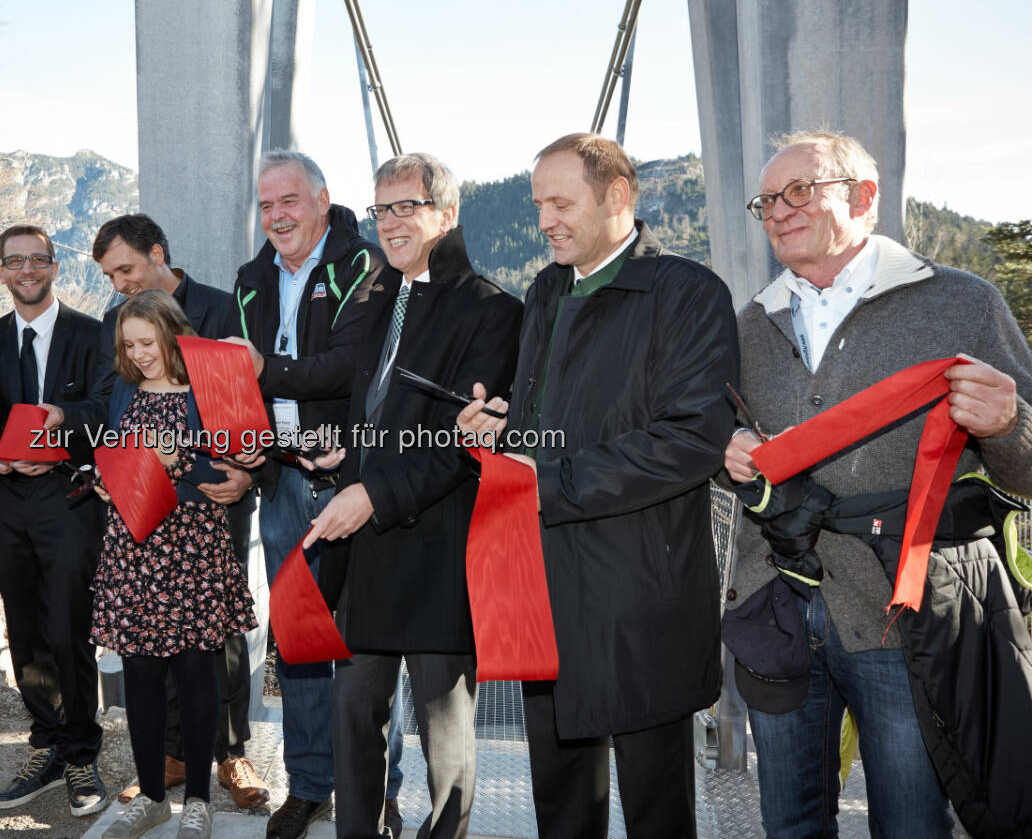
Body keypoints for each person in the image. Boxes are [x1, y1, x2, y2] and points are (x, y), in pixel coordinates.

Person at [721, 131, 1032, 838]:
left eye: (801, 190)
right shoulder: (749, 323)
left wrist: (1009, 423)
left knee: (912, 824)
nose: (778, 211)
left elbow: (1028, 468)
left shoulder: (963, 304)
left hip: (904, 619)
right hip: (778, 605)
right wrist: (728, 450)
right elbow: (717, 434)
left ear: (865, 197)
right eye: (766, 200)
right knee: (789, 825)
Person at [458, 133, 738, 839]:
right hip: (543, 586)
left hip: (638, 591)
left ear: (618, 196)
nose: (544, 220)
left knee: (655, 806)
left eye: (561, 202)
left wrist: (545, 480)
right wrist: (499, 431)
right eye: (538, 205)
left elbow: (691, 440)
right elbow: (544, 422)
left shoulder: (686, 292)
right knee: (559, 799)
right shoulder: (548, 289)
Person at [307, 154, 522, 839]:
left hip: (439, 547)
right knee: (354, 717)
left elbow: (466, 444)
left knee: (445, 736)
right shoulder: (378, 301)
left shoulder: (494, 311)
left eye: (408, 206)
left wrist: (374, 491)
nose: (392, 222)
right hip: (365, 551)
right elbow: (370, 408)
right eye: (382, 208)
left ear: (447, 214)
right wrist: (342, 447)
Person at [222, 149, 405, 839]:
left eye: (289, 201)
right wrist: (244, 435)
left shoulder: (365, 266)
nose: (277, 216)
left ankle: (379, 790)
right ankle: (309, 784)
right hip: (283, 481)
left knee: (362, 645)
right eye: (266, 205)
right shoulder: (250, 278)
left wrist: (266, 369)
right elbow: (241, 382)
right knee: (297, 641)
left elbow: (353, 368)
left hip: (352, 482)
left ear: (322, 200)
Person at [92, 214, 270, 809]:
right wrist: (110, 475)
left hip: (195, 536)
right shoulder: (126, 380)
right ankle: (162, 769)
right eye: (130, 346)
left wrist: (193, 463)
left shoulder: (219, 321)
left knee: (209, 661)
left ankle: (227, 757)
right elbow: (116, 437)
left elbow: (244, 440)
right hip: (138, 542)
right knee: (145, 670)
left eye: (126, 268)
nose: (140, 354)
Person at [0, 225, 110, 816]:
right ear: (1, 272)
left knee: (68, 626)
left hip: (71, 496)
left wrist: (63, 417)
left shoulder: (92, 333)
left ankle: (82, 753)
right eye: (14, 262)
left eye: (37, 260)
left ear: (54, 267)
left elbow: (110, 407)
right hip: (8, 500)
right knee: (24, 630)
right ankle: (47, 743)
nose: (26, 270)